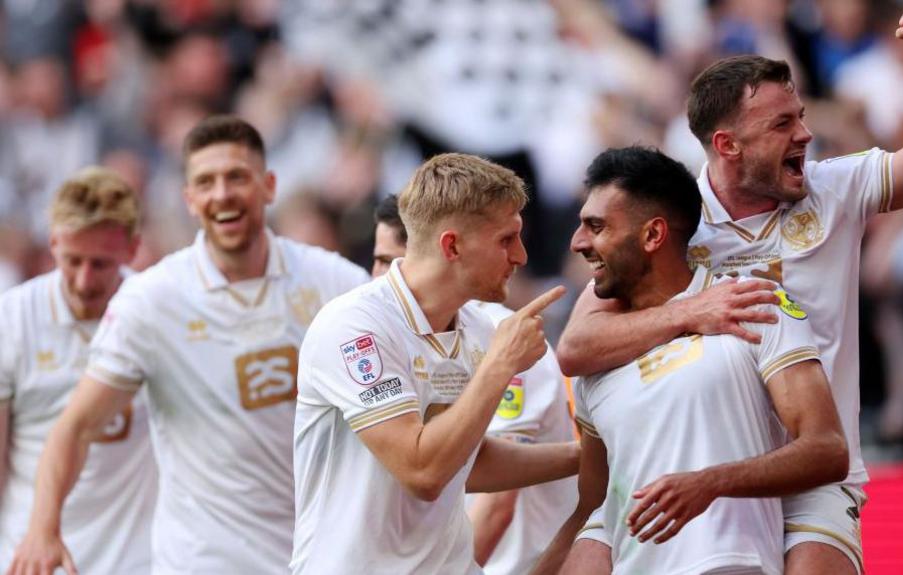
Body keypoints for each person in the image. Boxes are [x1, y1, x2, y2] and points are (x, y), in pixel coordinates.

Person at [555, 2, 903, 573]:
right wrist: (695, 312)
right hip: (693, 457)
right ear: (728, 145)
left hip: (813, 468)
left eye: (801, 115)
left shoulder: (837, 187)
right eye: (783, 124)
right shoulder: (675, 222)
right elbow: (575, 348)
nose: (807, 134)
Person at [8, 115, 370, 575]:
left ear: (269, 185)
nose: (222, 193)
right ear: (189, 199)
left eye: (236, 176)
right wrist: (42, 529)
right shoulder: (153, 299)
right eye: (206, 181)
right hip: (204, 559)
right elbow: (75, 427)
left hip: (319, 552)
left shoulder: (333, 282)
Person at [531, 146, 847, 575]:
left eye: (596, 226)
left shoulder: (749, 304)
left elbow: (826, 450)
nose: (578, 242)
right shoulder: (597, 358)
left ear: (652, 235)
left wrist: (711, 483)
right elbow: (596, 506)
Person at [291, 154, 578, 574]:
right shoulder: (354, 327)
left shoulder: (480, 329)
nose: (520, 256)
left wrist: (583, 456)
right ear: (451, 246)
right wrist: (501, 363)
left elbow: (470, 461)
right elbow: (422, 470)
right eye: (506, 239)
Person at [372, 195, 578, 574]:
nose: (381, 276)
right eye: (379, 260)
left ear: (432, 252)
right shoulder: (380, 333)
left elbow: (497, 503)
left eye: (393, 261)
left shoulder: (506, 337)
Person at [0, 168, 156, 574]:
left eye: (101, 264)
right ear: (52, 243)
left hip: (138, 558)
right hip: (30, 555)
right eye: (73, 261)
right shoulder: (11, 321)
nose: (85, 280)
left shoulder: (158, 315)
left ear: (132, 248)